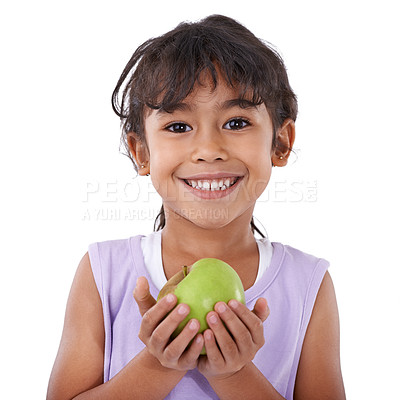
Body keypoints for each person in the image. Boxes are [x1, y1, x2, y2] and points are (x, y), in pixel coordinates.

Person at [47, 15, 346, 400]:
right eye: (177, 127)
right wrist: (158, 364)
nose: (208, 150)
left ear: (281, 142)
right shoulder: (104, 273)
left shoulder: (309, 285)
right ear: (141, 152)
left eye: (237, 122)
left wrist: (234, 375)